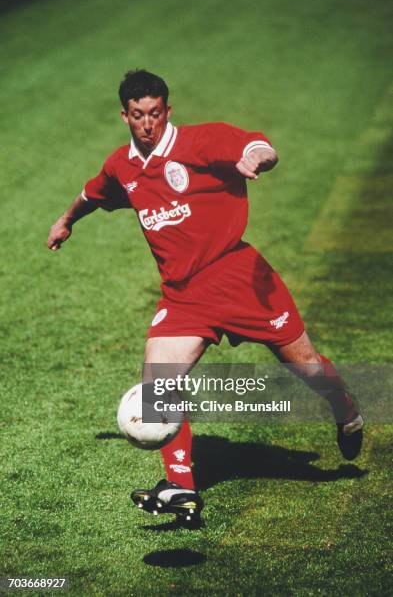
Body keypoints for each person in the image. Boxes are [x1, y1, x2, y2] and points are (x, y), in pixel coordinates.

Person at [48, 69, 363, 527]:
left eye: (155, 113)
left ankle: (345, 408)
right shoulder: (123, 165)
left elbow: (257, 144)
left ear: (167, 111)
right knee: (158, 386)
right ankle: (182, 490)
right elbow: (93, 192)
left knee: (307, 367)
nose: (148, 123)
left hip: (243, 281)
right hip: (184, 297)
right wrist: (66, 220)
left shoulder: (201, 142)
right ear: (125, 116)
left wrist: (258, 160)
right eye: (138, 116)